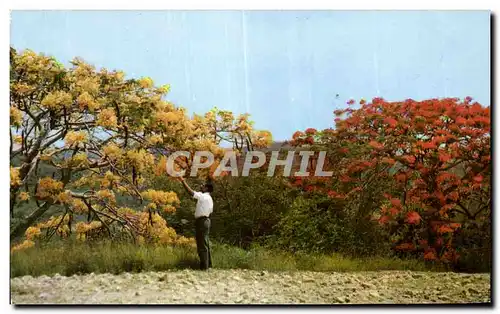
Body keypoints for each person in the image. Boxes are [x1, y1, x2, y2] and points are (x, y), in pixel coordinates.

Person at [178, 176, 214, 270]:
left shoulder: (203, 196)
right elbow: (210, 212)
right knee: (205, 243)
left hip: (202, 222)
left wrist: (183, 181)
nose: (201, 186)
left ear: (206, 188)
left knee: (202, 244)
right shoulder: (210, 199)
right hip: (207, 221)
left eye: (203, 185)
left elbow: (191, 192)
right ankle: (208, 265)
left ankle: (204, 267)